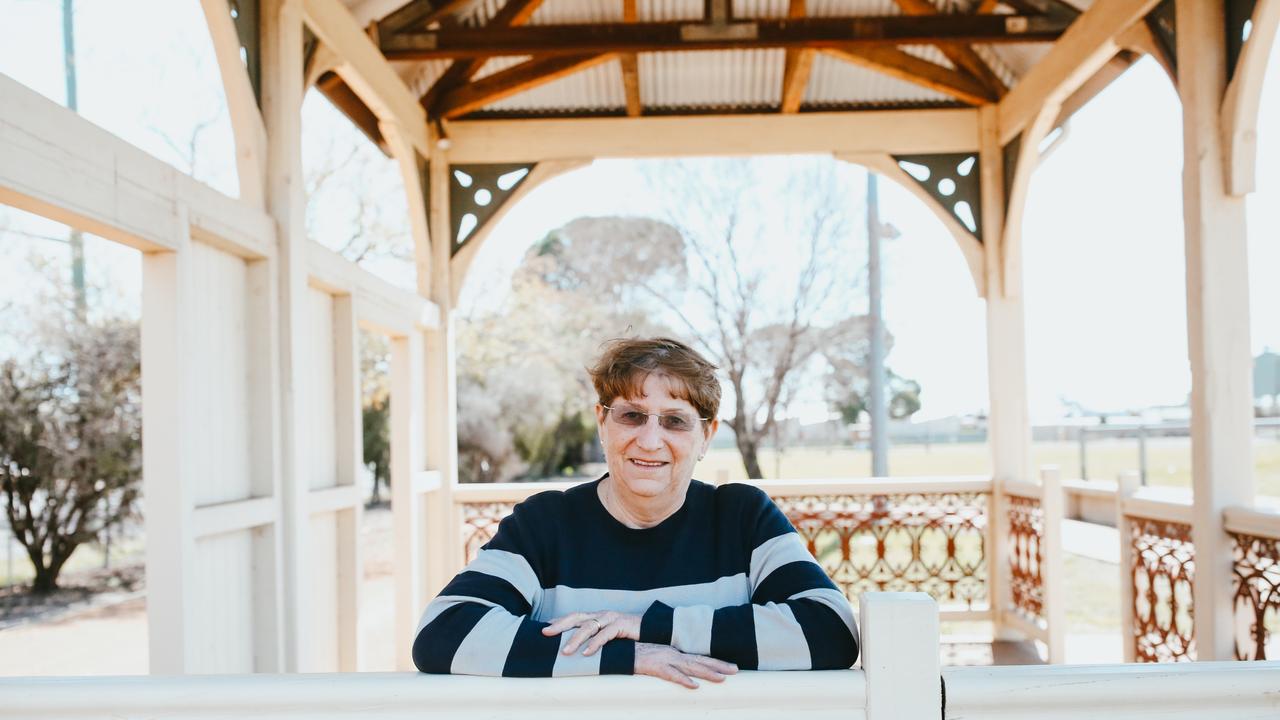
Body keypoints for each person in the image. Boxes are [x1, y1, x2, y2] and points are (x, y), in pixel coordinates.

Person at [411, 337, 859, 688]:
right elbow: (444, 633)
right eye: (632, 416)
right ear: (602, 423)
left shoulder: (742, 517)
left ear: (706, 436)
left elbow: (830, 630)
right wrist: (628, 656)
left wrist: (645, 625)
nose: (649, 440)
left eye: (674, 420)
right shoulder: (545, 524)